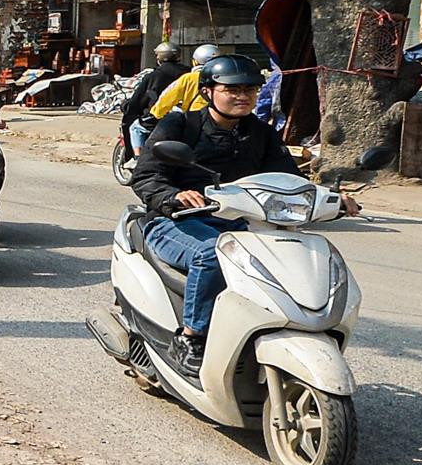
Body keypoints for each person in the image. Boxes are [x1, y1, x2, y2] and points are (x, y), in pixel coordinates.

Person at [130, 53, 359, 374]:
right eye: (232, 90)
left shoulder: (260, 133)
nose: (242, 96)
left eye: (250, 90)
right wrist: (175, 195)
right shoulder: (180, 125)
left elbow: (289, 178)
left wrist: (329, 196)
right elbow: (146, 177)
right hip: (175, 221)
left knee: (294, 254)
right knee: (213, 256)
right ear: (208, 91)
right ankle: (191, 336)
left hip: (243, 222)